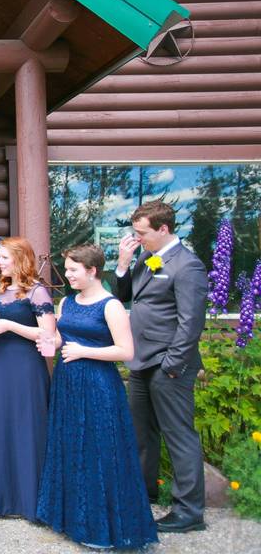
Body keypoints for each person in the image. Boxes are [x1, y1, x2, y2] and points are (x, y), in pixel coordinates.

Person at [37, 244, 158, 550]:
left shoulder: (111, 305)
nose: (67, 275)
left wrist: (84, 351)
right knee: (70, 447)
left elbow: (126, 351)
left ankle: (102, 528)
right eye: (67, 269)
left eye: (73, 270)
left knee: (99, 451)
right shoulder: (67, 301)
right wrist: (51, 340)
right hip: (67, 384)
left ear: (92, 271)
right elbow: (65, 336)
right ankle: (71, 520)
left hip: (98, 385)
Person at [115, 200, 208, 533]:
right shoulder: (147, 256)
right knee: (141, 434)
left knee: (178, 436)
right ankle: (144, 494)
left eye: (141, 233)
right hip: (141, 360)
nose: (136, 238)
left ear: (163, 229)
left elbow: (190, 323)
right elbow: (125, 295)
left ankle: (189, 512)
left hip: (168, 364)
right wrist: (124, 264)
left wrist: (172, 364)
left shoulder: (188, 266)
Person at [0, 237, 54, 522]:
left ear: (21, 259)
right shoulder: (2, 290)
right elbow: (2, 324)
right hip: (1, 362)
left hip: (26, 366)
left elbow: (48, 336)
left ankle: (25, 497)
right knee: (0, 421)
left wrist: (9, 325)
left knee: (24, 424)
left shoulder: (37, 292)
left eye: (5, 258)